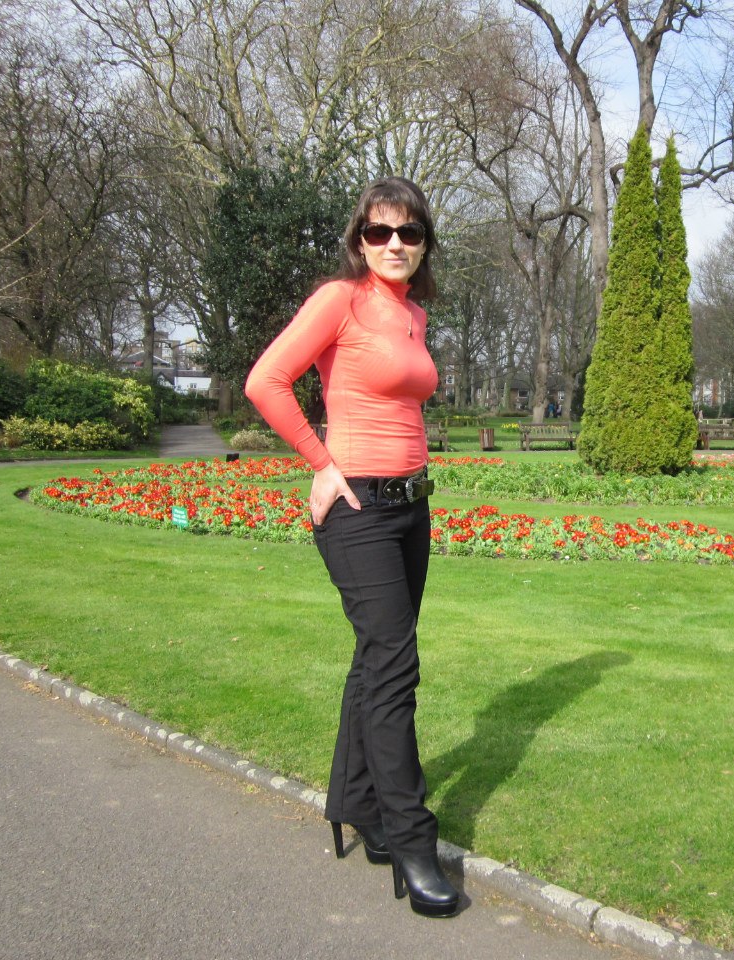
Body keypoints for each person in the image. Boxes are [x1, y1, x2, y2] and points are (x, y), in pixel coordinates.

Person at [244, 177, 458, 918]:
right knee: (396, 667)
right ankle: (411, 839)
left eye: (409, 232)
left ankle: (357, 804)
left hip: (410, 508)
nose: (394, 244)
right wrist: (322, 463)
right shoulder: (340, 300)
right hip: (358, 509)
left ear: (424, 243)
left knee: (375, 661)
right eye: (379, 232)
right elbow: (267, 381)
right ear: (359, 241)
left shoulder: (415, 316)